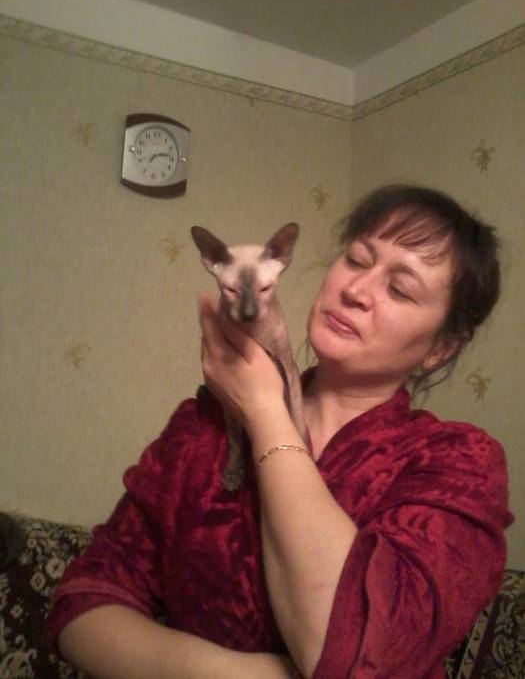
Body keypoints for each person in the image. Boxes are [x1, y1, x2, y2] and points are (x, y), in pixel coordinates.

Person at [48, 184, 513, 679]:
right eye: (356, 260)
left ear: (440, 348)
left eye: (399, 289)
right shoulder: (200, 429)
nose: (355, 290)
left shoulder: (458, 464)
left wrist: (266, 407)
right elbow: (83, 604)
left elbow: (358, 655)